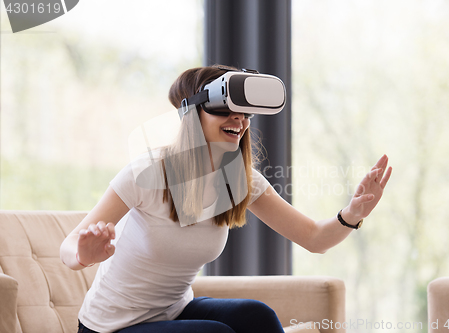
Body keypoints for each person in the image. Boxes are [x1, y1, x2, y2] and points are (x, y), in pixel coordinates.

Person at [60, 65, 392, 333]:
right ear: (192, 114)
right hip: (109, 327)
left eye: (246, 113)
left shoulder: (242, 181)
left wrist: (352, 212)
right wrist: (84, 254)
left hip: (173, 312)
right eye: (226, 110)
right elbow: (68, 248)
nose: (240, 120)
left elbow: (314, 239)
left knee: (255, 316)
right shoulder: (147, 173)